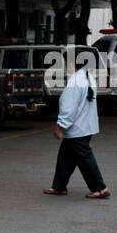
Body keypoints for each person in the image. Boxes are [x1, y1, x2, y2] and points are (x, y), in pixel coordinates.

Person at [43, 51, 110, 199]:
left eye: (66, 63)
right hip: (86, 125)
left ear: (73, 64)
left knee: (85, 158)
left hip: (77, 128)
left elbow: (69, 108)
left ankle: (100, 188)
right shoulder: (88, 77)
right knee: (66, 157)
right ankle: (59, 186)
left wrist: (60, 126)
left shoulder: (75, 81)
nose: (66, 66)